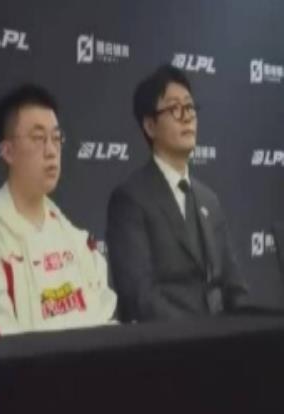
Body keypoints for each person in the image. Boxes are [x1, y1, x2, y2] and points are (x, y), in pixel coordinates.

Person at [0, 84, 117, 336]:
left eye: (56, 138)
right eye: (38, 138)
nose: (51, 151)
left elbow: (107, 329)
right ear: (8, 151)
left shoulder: (78, 241)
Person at [106, 65, 248, 322]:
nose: (187, 117)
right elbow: (139, 296)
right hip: (170, 341)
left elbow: (234, 285)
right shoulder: (129, 199)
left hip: (223, 336)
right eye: (175, 108)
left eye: (190, 107)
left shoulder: (209, 200)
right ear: (150, 126)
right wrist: (198, 333)